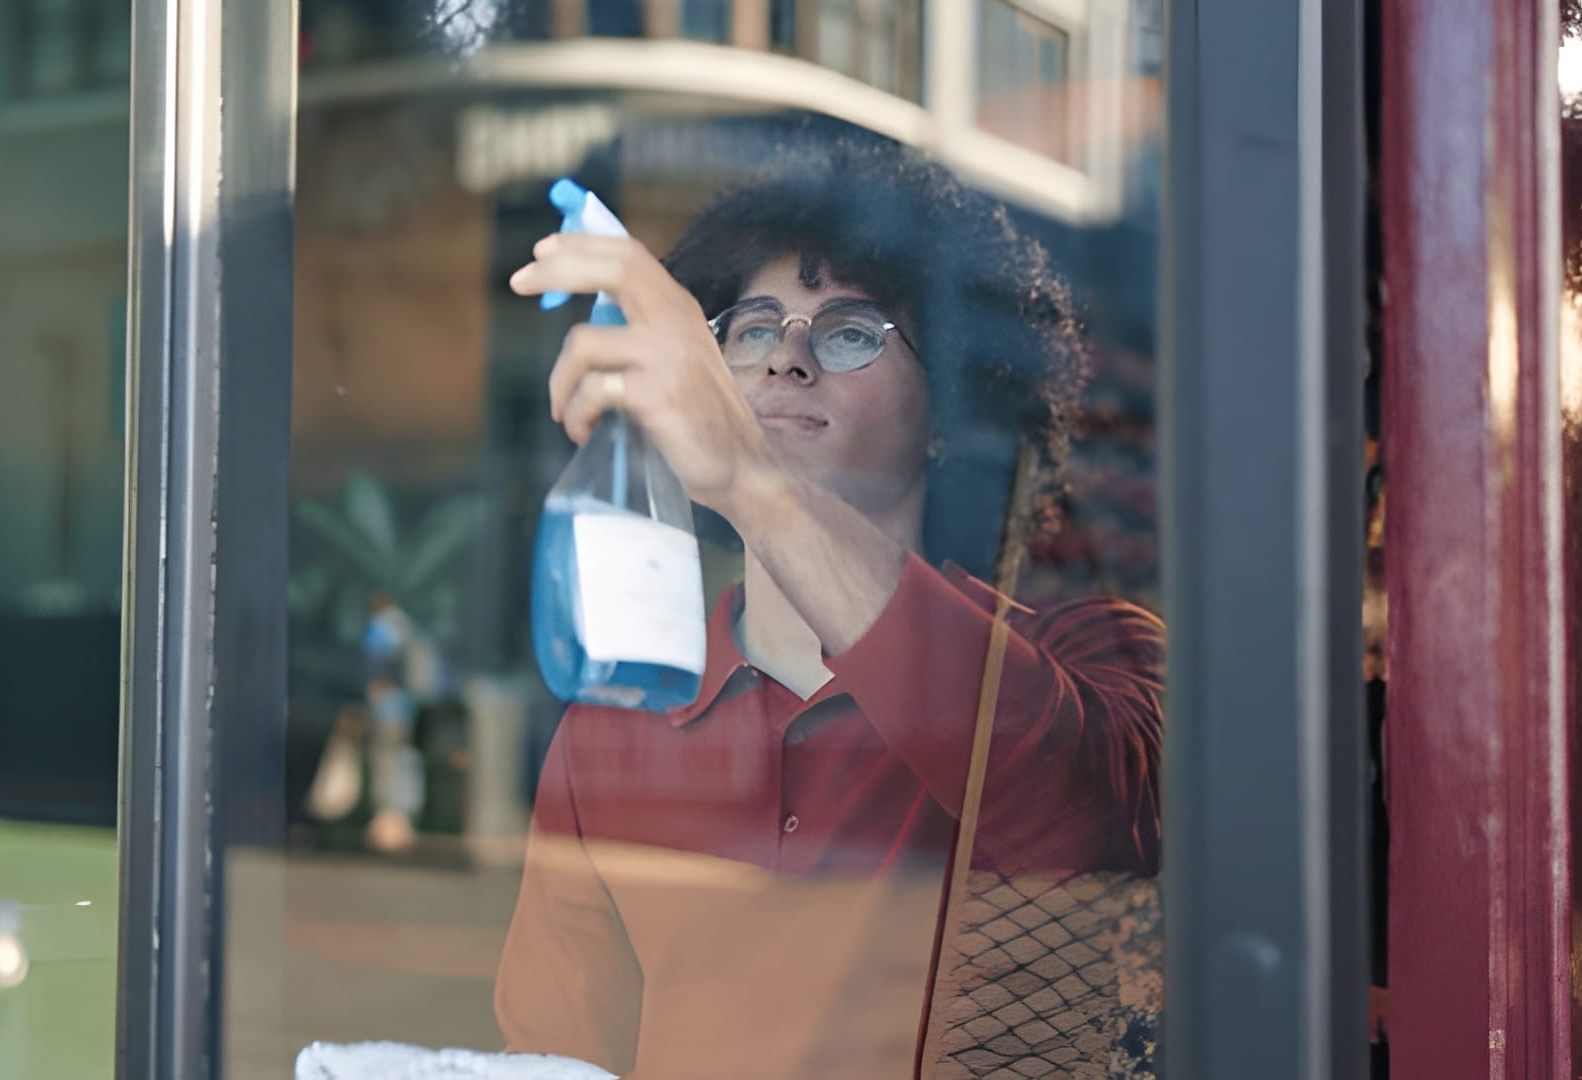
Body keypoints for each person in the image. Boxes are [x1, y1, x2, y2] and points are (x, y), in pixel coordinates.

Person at [494, 140, 1164, 1078]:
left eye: (850, 331)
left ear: (949, 412)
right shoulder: (617, 714)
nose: (787, 360)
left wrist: (748, 475)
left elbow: (1077, 816)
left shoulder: (1096, 654)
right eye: (753, 329)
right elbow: (554, 1059)